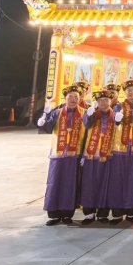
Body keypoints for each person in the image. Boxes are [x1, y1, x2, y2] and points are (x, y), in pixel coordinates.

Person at [37, 82, 88, 226]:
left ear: (80, 98)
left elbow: (90, 130)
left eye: (76, 97)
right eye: (70, 96)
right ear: (65, 98)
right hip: (58, 154)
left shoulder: (84, 113)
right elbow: (48, 128)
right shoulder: (57, 112)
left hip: (75, 155)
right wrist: (42, 123)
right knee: (54, 182)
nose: (73, 99)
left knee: (71, 184)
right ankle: (53, 214)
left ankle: (67, 214)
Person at [108, 80, 133, 225]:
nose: (131, 93)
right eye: (128, 90)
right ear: (125, 92)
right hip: (119, 149)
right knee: (118, 180)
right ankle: (117, 213)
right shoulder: (118, 106)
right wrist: (116, 119)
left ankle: (131, 212)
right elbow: (113, 123)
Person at [80, 86, 118, 225]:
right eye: (101, 100)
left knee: (105, 183)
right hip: (91, 154)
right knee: (89, 183)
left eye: (106, 100)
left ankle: (103, 213)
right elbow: (85, 125)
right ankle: (89, 213)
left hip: (108, 154)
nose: (103, 102)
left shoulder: (116, 115)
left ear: (111, 100)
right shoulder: (91, 114)